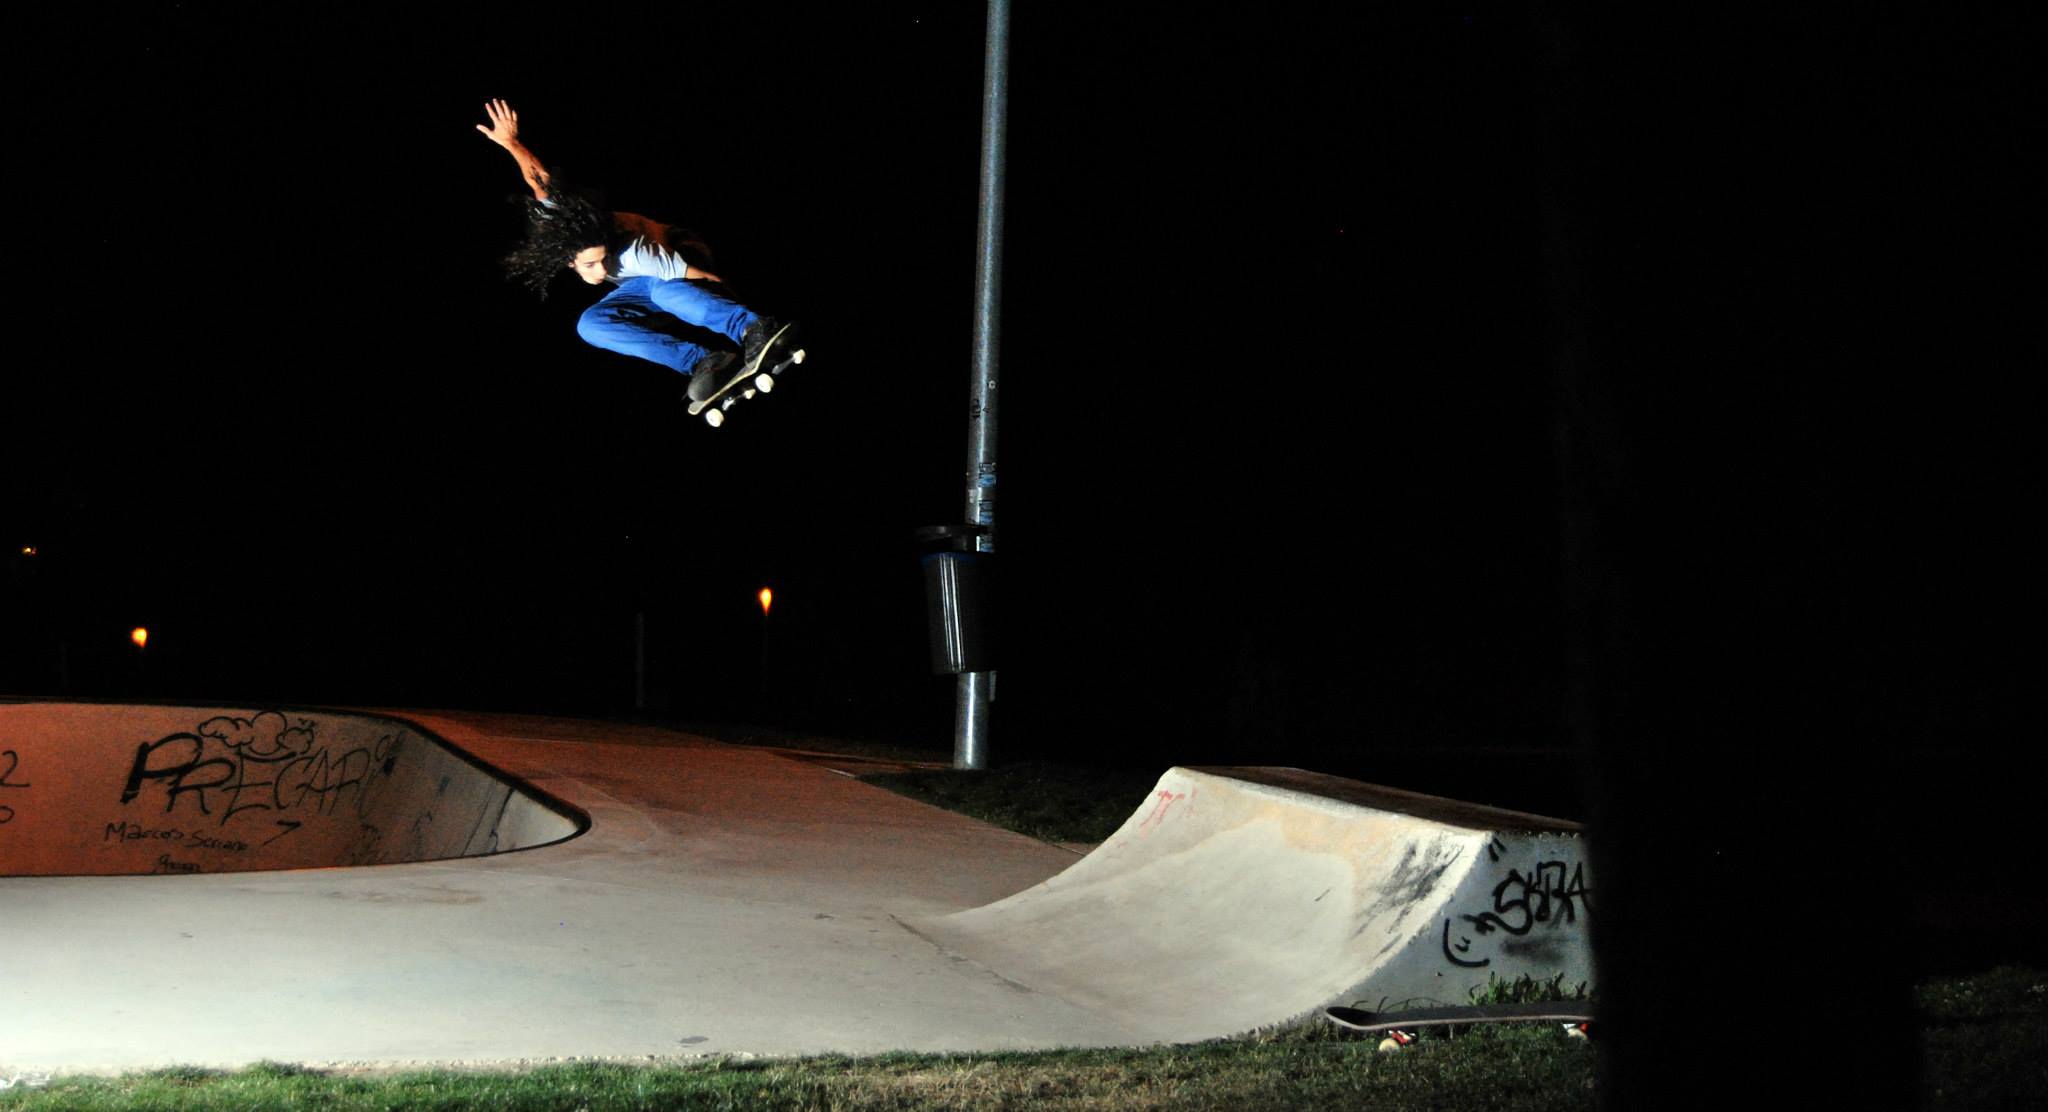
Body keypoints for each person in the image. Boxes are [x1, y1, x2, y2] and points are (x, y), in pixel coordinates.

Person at [475, 99, 797, 405]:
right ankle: (704, 363)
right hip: (641, 288)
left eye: (604, 260)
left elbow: (703, 278)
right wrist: (511, 143)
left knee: (665, 292)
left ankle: (753, 327)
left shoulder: (635, 253)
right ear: (569, 258)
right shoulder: (565, 228)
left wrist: (748, 326)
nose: (601, 271)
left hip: (684, 256)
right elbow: (541, 181)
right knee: (590, 324)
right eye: (590, 263)